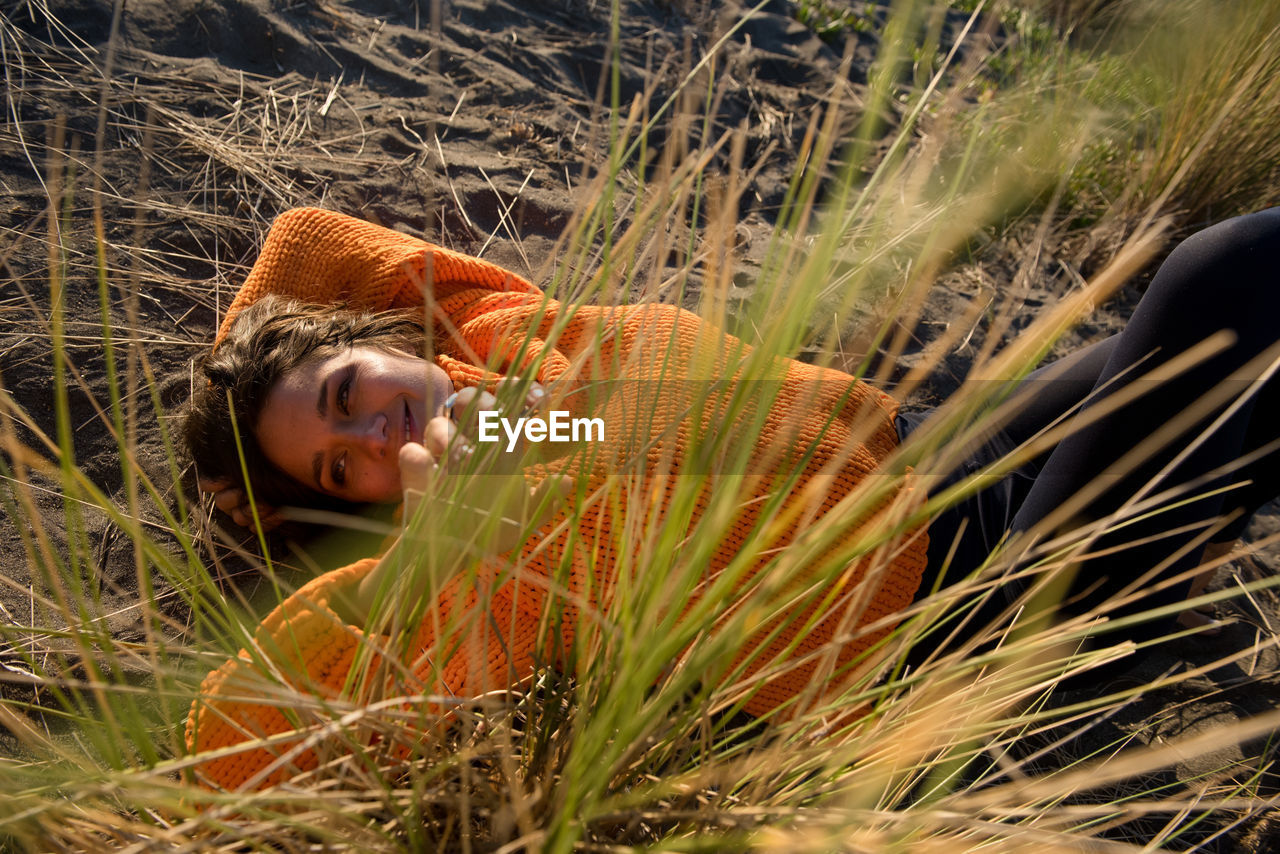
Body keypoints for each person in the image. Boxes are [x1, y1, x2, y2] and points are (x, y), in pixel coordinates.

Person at [183, 206, 1280, 791]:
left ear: (380, 337)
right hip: (955, 620)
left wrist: (253, 355)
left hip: (924, 478)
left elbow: (309, 240)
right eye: (338, 465)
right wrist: (430, 559)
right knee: (1217, 277)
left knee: (1240, 383)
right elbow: (228, 734)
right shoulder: (446, 544)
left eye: (344, 392)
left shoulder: (503, 340)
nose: (370, 433)